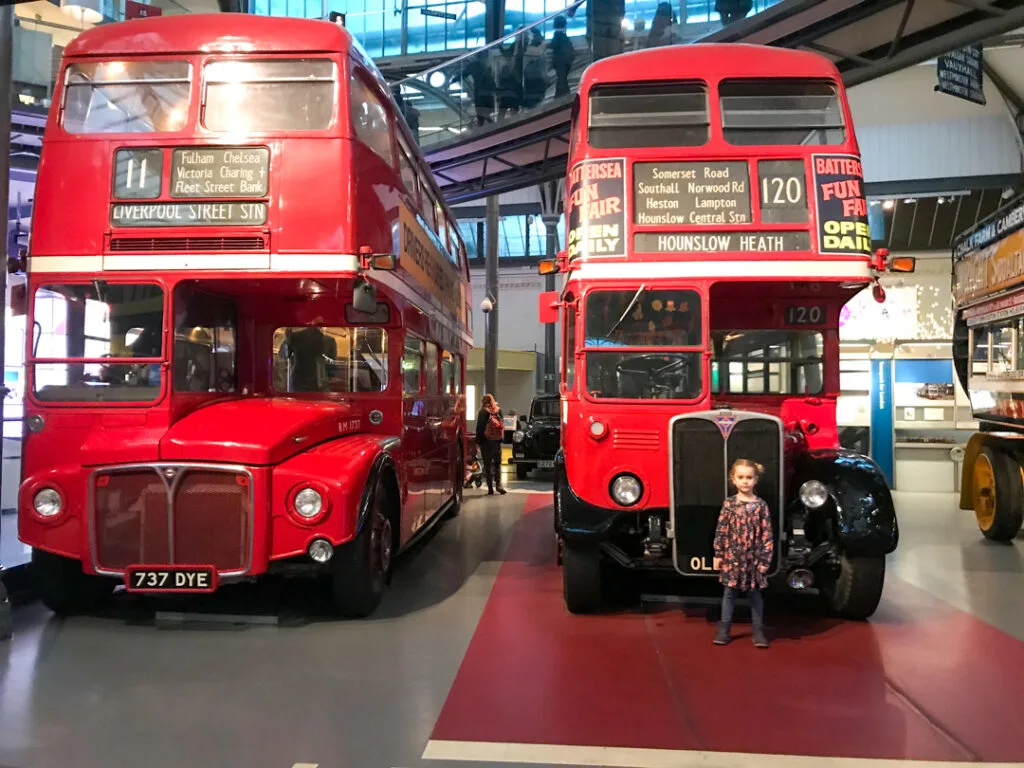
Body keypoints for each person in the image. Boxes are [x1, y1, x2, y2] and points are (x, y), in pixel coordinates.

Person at [712, 458, 773, 648]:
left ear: (755, 480)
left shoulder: (761, 506)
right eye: (741, 477)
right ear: (734, 480)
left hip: (753, 560)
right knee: (729, 593)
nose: (745, 481)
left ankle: (758, 632)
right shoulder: (729, 504)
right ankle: (724, 630)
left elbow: (767, 534)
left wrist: (765, 560)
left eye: (749, 477)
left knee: (755, 595)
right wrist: (718, 554)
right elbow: (721, 529)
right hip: (732, 559)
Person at [475, 393, 507, 495]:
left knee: (487, 464)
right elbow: (502, 425)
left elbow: (479, 428)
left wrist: (478, 442)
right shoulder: (498, 410)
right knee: (497, 463)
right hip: (496, 442)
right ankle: (498, 485)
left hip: (486, 442)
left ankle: (490, 488)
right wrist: (501, 439)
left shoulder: (482, 412)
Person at [550, 15, 575, 98]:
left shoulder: (556, 36)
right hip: (566, 62)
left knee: (561, 82)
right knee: (563, 81)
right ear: (565, 25)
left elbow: (554, 46)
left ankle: (560, 98)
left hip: (560, 62)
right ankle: (564, 97)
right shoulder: (564, 38)